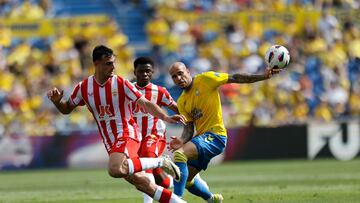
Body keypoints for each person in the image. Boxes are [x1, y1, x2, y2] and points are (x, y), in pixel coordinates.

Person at [47, 45, 186, 203]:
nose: (113, 67)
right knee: (143, 184)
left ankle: (160, 161)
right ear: (96, 64)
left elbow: (145, 103)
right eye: (108, 63)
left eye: (114, 62)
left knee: (115, 169)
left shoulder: (121, 83)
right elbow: (66, 109)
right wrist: (58, 102)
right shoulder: (83, 88)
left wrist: (165, 117)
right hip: (110, 141)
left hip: (127, 133)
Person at [168, 62, 279, 202]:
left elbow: (235, 77)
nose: (178, 78)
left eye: (180, 73)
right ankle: (211, 199)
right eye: (174, 77)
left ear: (188, 71)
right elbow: (189, 128)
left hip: (216, 135)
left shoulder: (206, 79)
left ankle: (176, 199)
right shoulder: (182, 101)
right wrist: (182, 140)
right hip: (202, 138)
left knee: (180, 155)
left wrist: (263, 76)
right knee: (187, 179)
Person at [130, 57, 178, 203]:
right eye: (141, 71)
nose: (144, 74)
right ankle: (173, 181)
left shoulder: (160, 91)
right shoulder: (127, 90)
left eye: (148, 71)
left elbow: (177, 108)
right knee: (161, 180)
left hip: (154, 135)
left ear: (153, 73)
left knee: (146, 166)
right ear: (135, 72)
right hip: (134, 138)